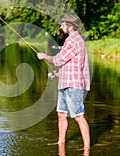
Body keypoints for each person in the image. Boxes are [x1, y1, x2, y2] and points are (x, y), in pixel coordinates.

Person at [37, 13, 91, 149]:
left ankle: (87, 148)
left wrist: (44, 56)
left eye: (63, 25)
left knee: (79, 116)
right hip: (66, 83)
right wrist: (58, 74)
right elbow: (71, 64)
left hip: (73, 85)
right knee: (61, 114)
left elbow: (58, 59)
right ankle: (61, 143)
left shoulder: (73, 40)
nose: (61, 27)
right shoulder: (75, 39)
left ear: (70, 26)